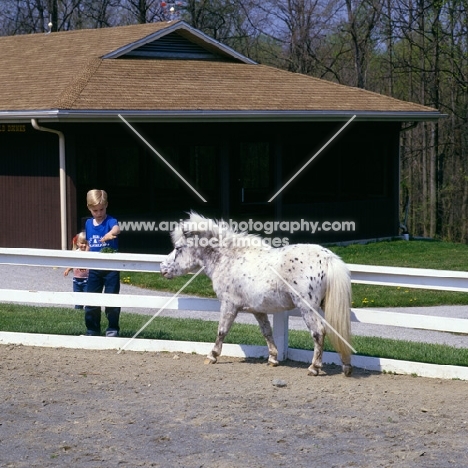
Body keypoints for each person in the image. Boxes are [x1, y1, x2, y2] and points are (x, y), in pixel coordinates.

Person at [84, 189, 121, 337]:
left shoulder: (110, 221)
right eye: (95, 210)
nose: (98, 213)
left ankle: (112, 328)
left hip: (111, 267)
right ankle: (92, 329)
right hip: (94, 267)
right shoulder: (88, 223)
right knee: (91, 299)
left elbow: (117, 229)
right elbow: (88, 243)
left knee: (111, 298)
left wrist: (111, 234)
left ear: (106, 206)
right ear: (89, 208)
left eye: (101, 209)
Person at [63, 232, 89, 309]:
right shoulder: (76, 253)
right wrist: (68, 269)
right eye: (82, 243)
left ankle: (87, 309)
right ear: (77, 243)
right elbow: (73, 263)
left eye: (86, 243)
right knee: (77, 296)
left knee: (87, 296)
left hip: (87, 279)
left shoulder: (89, 253)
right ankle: (78, 309)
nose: (84, 245)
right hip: (76, 279)